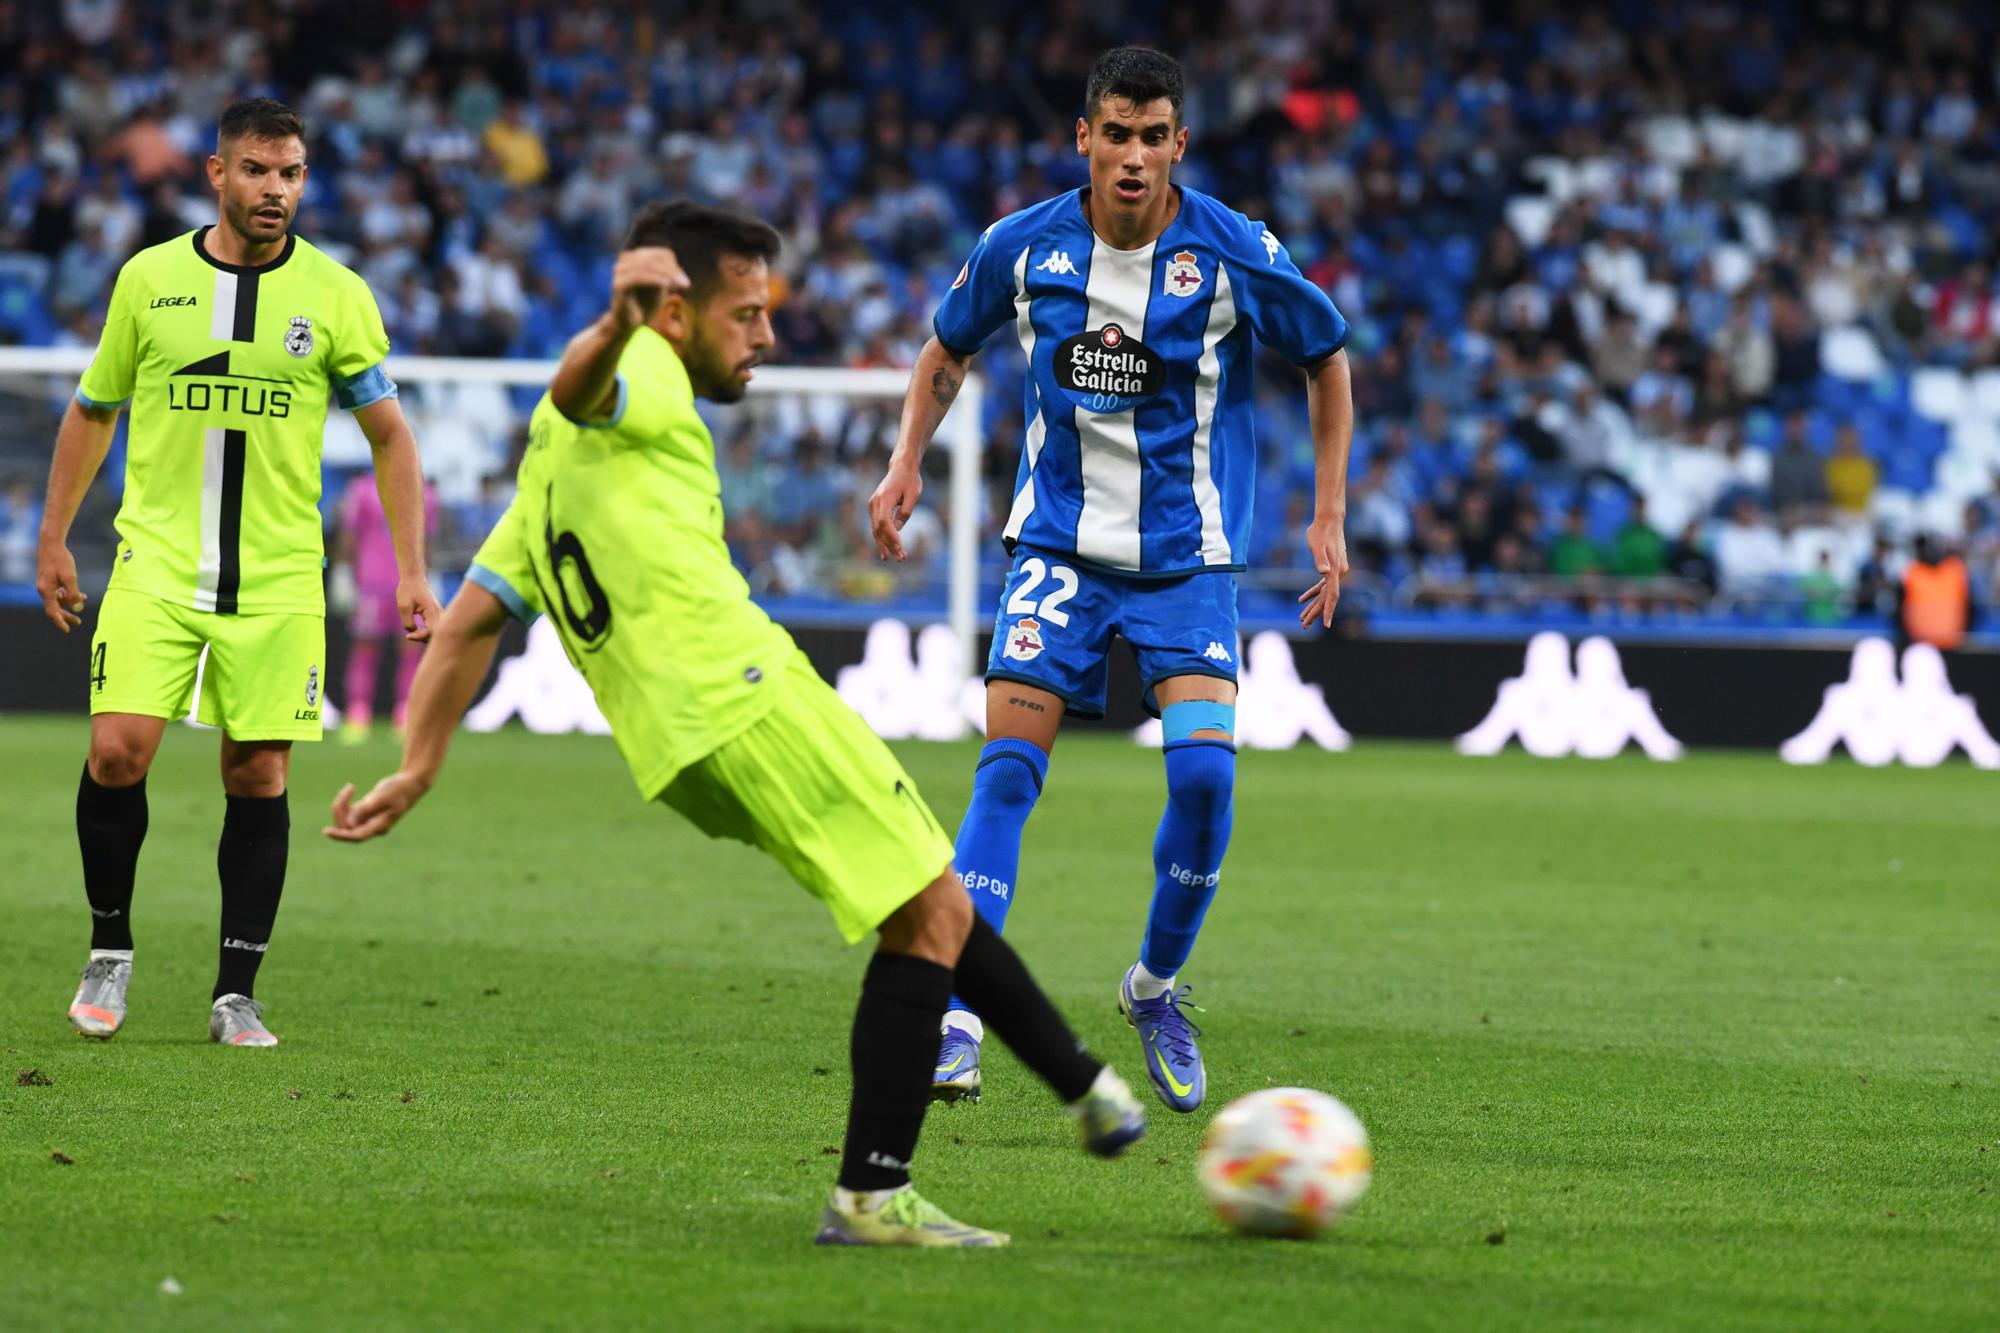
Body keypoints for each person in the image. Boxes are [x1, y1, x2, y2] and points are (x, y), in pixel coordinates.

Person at [324, 202, 1145, 1248]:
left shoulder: (547, 471)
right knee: (928, 910)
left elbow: (473, 620)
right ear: (675, 311)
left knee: (930, 900)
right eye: (746, 313)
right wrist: (617, 325)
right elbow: (578, 385)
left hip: (675, 750)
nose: (766, 335)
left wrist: (419, 765)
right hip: (743, 696)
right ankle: (880, 1193)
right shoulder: (641, 369)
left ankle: (1084, 1093)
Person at [869, 48, 1354, 1113]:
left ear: (1180, 144)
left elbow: (1326, 356)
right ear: (1083, 137)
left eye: (1153, 137)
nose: (1134, 157)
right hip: (1058, 548)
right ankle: (959, 1015)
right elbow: (945, 350)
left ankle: (1153, 988)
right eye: (1117, 135)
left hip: (1187, 560)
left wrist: (1327, 512)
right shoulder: (1022, 245)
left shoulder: (1232, 252)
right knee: (1006, 773)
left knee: (1205, 779)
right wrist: (906, 460)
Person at [35, 99, 442, 1048]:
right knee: (116, 752)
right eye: (257, 169)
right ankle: (109, 950)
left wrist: (412, 569)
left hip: (279, 578)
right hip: (156, 562)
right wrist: (52, 536)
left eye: (291, 173)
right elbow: (94, 408)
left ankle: (235, 994)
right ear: (217, 173)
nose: (275, 189)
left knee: (257, 773)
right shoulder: (150, 279)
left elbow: (391, 436)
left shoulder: (336, 294)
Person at [330, 468, 440, 742]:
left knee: (410, 648)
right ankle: (358, 713)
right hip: (372, 581)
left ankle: (405, 714)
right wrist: (344, 573)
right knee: (366, 647)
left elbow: (427, 542)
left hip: (408, 582)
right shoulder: (363, 489)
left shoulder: (425, 493)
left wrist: (430, 578)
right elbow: (350, 536)